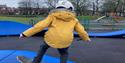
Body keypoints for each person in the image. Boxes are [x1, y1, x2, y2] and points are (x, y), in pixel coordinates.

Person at [17, 0, 91, 63]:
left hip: (51, 38)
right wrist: (86, 38)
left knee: (43, 47)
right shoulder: (74, 20)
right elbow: (81, 31)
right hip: (65, 41)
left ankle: (36, 61)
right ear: (71, 9)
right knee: (64, 53)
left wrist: (25, 34)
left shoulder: (52, 16)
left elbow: (40, 26)